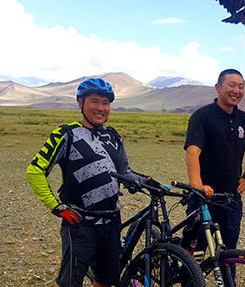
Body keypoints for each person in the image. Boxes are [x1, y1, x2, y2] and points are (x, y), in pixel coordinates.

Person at [26, 78, 153, 287]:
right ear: (80, 103)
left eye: (106, 103)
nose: (101, 108)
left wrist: (148, 181)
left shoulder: (113, 136)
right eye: (95, 101)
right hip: (80, 224)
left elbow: (125, 172)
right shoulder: (65, 134)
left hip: (112, 222)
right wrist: (57, 207)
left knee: (106, 280)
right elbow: (35, 170)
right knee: (70, 282)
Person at [183, 68, 245, 253]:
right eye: (232, 85)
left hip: (231, 200)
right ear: (218, 87)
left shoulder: (244, 119)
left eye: (241, 87)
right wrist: (198, 186)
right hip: (204, 200)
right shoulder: (202, 117)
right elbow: (192, 152)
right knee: (195, 254)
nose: (237, 90)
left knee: (228, 254)